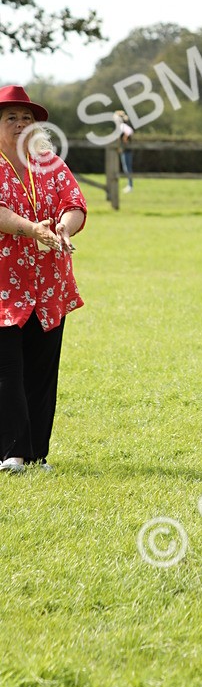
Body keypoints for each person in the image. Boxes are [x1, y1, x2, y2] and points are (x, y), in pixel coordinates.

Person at [0, 86, 87, 472]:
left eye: (27, 118)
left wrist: (65, 229)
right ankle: (11, 452)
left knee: (41, 371)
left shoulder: (49, 162)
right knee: (7, 370)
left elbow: (75, 204)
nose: (21, 124)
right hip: (4, 287)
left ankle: (36, 455)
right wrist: (32, 229)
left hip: (48, 285)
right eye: (11, 118)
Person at [116, 110, 134, 192]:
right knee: (126, 168)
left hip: (126, 150)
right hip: (125, 150)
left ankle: (130, 186)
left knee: (127, 168)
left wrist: (124, 139)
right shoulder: (123, 125)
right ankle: (129, 185)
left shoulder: (122, 125)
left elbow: (129, 132)